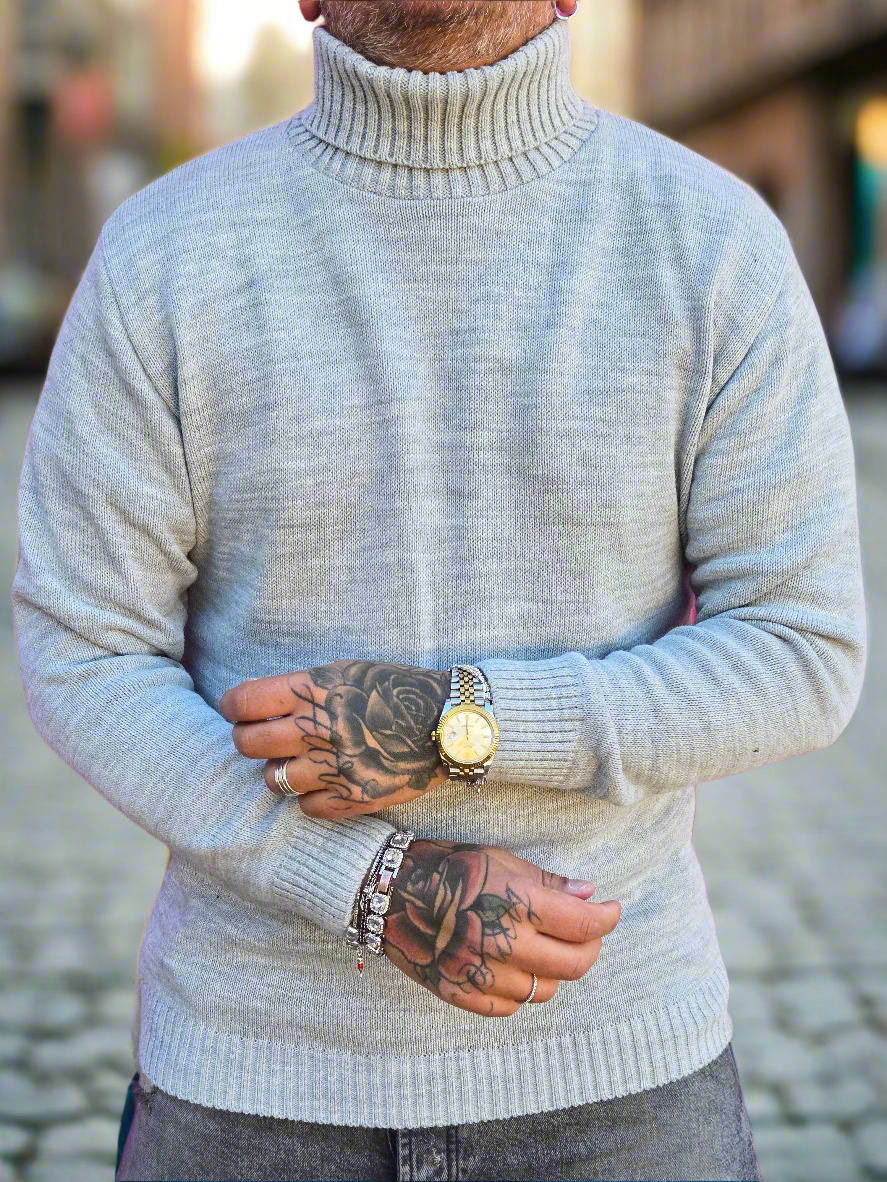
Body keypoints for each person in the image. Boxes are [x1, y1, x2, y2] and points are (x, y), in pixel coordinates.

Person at [11, 0, 866, 1178]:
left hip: (620, 1086)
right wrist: (372, 887)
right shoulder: (162, 255)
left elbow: (800, 649)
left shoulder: (712, 243)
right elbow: (84, 649)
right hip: (252, 1081)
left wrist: (456, 723)